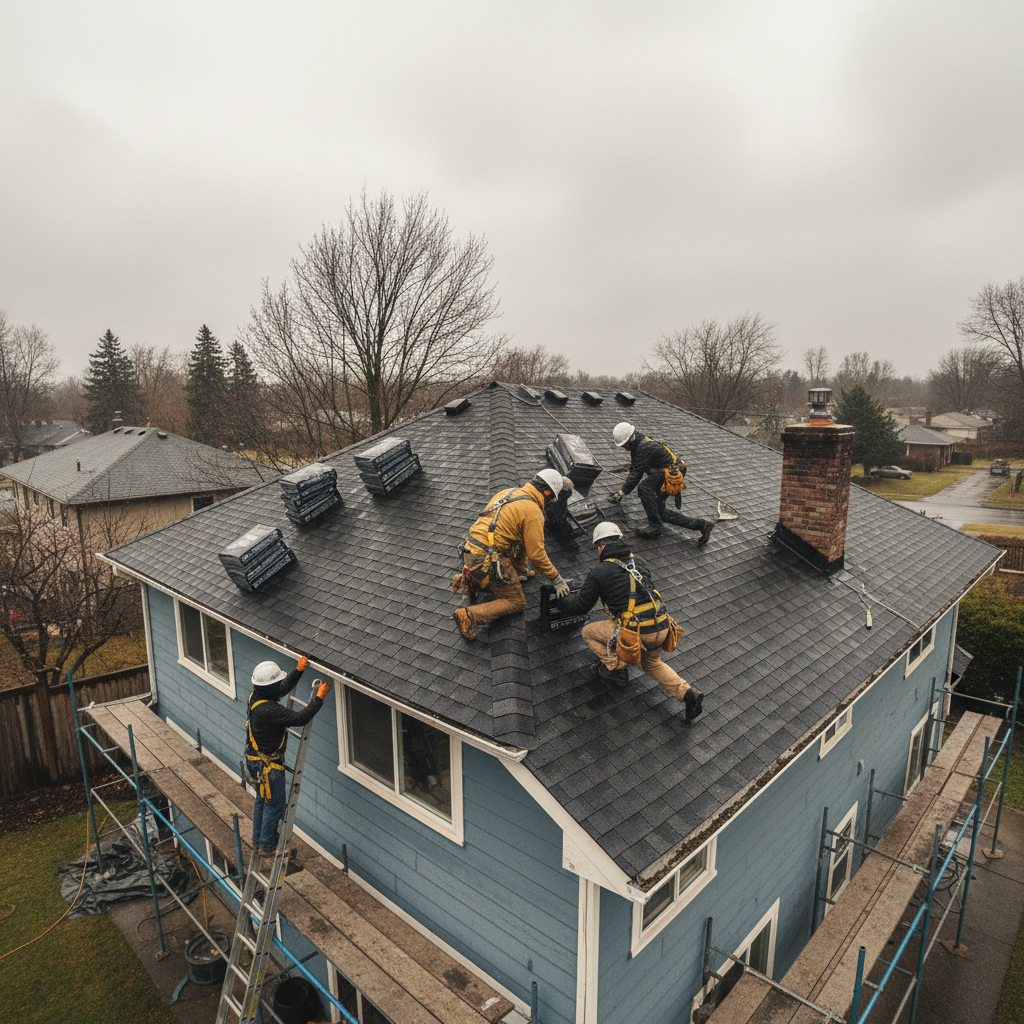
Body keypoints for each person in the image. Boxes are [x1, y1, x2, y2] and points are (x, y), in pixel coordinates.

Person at [555, 521, 704, 722]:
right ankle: (688, 694)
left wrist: (561, 598)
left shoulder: (600, 572)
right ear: (619, 539)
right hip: (662, 625)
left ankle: (616, 670)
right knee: (652, 664)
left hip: (638, 630)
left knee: (588, 632)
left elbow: (579, 606)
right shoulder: (639, 562)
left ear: (600, 547)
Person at [453, 468, 572, 640]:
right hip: (486, 560)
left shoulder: (509, 492)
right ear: (547, 492)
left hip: (470, 550)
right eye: (551, 498)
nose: (550, 502)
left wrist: (520, 570)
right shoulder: (533, 512)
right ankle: (468, 616)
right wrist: (557, 579)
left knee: (521, 537)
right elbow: (537, 555)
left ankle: (472, 578)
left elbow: (517, 538)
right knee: (516, 602)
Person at [246, 656, 331, 858]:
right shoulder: (269, 710)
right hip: (268, 766)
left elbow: (281, 689)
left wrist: (298, 670)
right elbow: (300, 718)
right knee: (274, 805)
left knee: (262, 801)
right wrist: (319, 698)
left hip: (254, 761)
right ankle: (267, 846)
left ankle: (259, 840)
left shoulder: (256, 697)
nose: (279, 686)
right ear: (270, 687)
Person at [609, 421, 714, 543]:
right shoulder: (638, 445)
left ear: (630, 439)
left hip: (672, 473)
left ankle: (655, 527)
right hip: (666, 472)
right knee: (660, 513)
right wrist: (623, 488)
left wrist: (621, 493)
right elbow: (634, 468)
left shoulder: (645, 447)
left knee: (644, 487)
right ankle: (702, 525)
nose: (624, 447)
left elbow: (637, 473)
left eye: (624, 445)